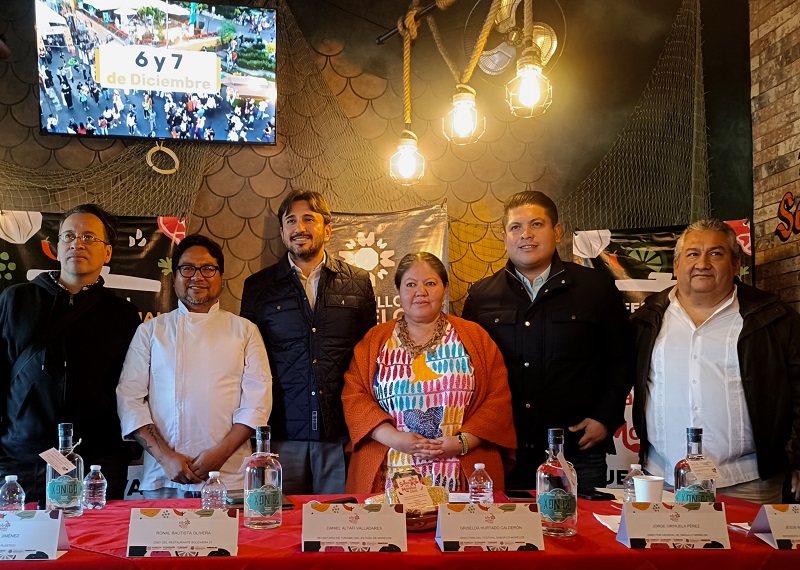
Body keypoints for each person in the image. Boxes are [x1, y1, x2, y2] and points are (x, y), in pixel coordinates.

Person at [462, 190, 635, 492]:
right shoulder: (481, 296)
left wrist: (604, 417)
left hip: (577, 451)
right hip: (505, 451)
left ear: (556, 232)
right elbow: (468, 372)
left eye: (536, 224)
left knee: (577, 524)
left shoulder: (595, 287)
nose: (525, 235)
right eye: (515, 227)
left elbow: (622, 358)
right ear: (504, 237)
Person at [631, 219, 800, 503]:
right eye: (693, 254)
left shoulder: (773, 319)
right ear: (676, 266)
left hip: (747, 483)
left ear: (735, 265)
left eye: (716, 253)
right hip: (663, 480)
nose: (703, 263)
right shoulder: (645, 321)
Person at [0, 204, 141, 503]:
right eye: (68, 236)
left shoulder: (123, 315)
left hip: (98, 465)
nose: (77, 244)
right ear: (57, 247)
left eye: (89, 237)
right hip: (21, 462)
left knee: (97, 534)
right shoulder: (15, 300)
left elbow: (133, 388)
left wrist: (126, 449)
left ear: (107, 253)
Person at [343, 253, 516, 494]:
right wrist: (394, 438)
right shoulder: (375, 340)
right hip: (389, 472)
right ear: (398, 290)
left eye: (430, 283)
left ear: (445, 288)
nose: (420, 292)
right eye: (410, 284)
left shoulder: (474, 337)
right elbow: (354, 397)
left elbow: (497, 398)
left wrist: (462, 443)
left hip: (462, 472)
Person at [241, 189, 376, 494]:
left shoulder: (358, 282)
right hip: (280, 436)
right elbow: (248, 364)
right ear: (282, 232)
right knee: (280, 517)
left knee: (339, 519)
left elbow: (369, 360)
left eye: (308, 219)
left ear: (327, 230)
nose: (299, 228)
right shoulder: (258, 286)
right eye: (291, 221)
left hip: (340, 434)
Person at [117, 234, 272, 497]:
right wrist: (166, 458)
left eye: (208, 268)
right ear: (174, 276)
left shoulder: (245, 331)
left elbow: (256, 404)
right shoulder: (151, 331)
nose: (197, 277)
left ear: (220, 276)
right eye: (187, 268)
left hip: (229, 475)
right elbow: (129, 398)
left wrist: (219, 455)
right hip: (164, 476)